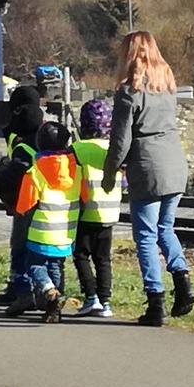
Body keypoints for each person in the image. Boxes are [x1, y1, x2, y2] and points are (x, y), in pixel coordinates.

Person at [101, 30, 194, 326]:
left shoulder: (129, 91)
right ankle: (183, 281)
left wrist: (109, 174)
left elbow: (121, 140)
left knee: (145, 236)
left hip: (148, 167)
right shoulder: (167, 85)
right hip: (175, 164)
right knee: (166, 228)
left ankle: (156, 303)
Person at [8, 121, 81, 323]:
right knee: (56, 266)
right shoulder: (77, 171)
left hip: (41, 231)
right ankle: (54, 309)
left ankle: (50, 292)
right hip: (66, 232)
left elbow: (24, 206)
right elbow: (83, 196)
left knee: (35, 265)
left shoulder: (35, 172)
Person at [0, 85, 43, 305]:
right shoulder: (47, 132)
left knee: (20, 244)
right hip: (49, 199)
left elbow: (17, 165)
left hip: (24, 198)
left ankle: (20, 289)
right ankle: (43, 291)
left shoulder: (18, 134)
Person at [71, 99, 121, 318]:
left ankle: (91, 297)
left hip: (84, 210)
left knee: (80, 254)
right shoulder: (114, 150)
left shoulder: (76, 149)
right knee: (103, 258)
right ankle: (106, 301)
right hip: (110, 212)